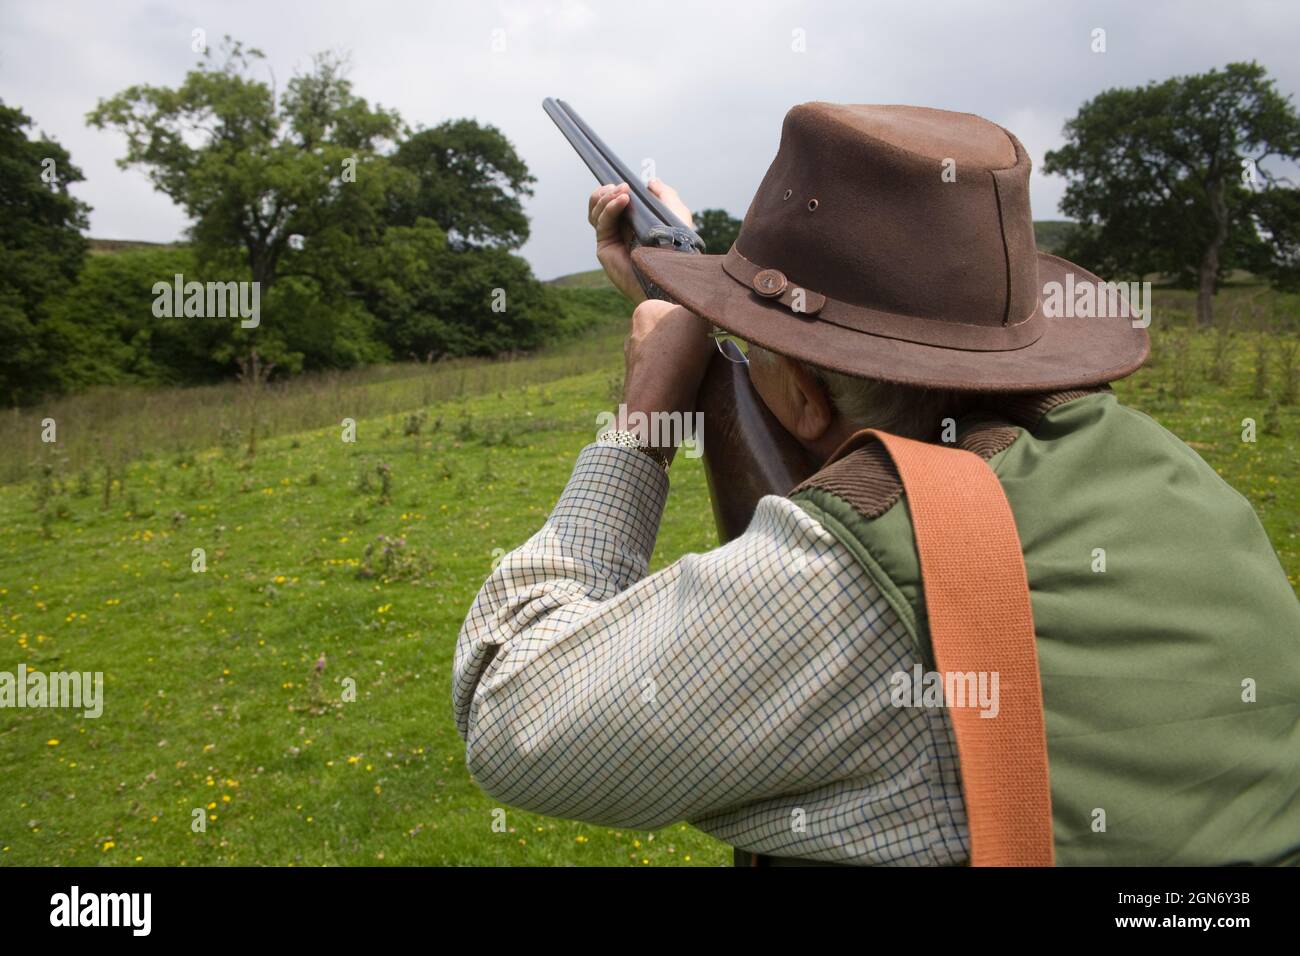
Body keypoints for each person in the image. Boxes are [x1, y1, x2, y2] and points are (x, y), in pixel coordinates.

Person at [452, 103, 1300, 866]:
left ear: (805, 397)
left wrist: (644, 417)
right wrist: (707, 301)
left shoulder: (860, 566)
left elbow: (509, 711)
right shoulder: (1182, 480)